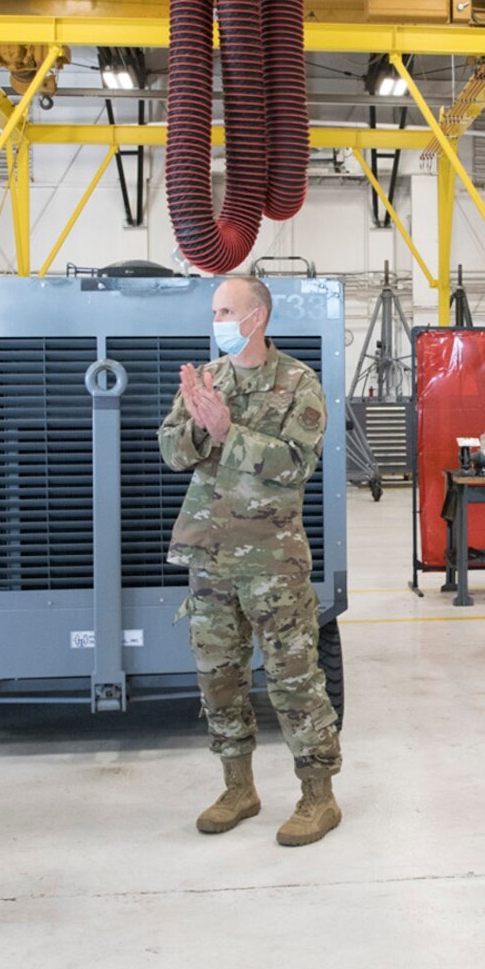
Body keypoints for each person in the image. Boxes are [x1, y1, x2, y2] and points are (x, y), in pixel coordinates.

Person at [158, 276, 341, 847]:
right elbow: (169, 450)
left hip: (272, 561)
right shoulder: (208, 380)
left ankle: (318, 796)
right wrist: (196, 424)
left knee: (293, 678)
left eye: (226, 309)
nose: (217, 319)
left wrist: (227, 430)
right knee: (220, 678)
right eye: (214, 310)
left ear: (256, 316)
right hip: (210, 557)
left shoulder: (298, 383)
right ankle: (239, 788)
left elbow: (295, 464)